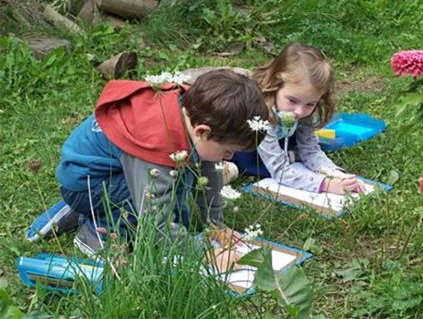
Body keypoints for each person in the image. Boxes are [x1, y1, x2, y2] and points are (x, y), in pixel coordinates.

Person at [26, 69, 268, 269]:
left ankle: (86, 210)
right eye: (228, 151)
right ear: (202, 131)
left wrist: (216, 225)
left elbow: (209, 170)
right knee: (172, 195)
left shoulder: (197, 116)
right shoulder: (157, 140)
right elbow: (156, 223)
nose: (230, 157)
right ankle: (94, 232)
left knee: (180, 191)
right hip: (86, 183)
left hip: (109, 174)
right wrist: (203, 249)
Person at [232, 43, 366, 194]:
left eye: (310, 104)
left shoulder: (303, 110)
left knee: (304, 153)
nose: (299, 111)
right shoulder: (262, 116)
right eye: (292, 100)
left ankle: (292, 154)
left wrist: (337, 175)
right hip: (251, 154)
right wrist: (326, 185)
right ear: (276, 84)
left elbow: (311, 150)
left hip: (281, 146)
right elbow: (279, 171)